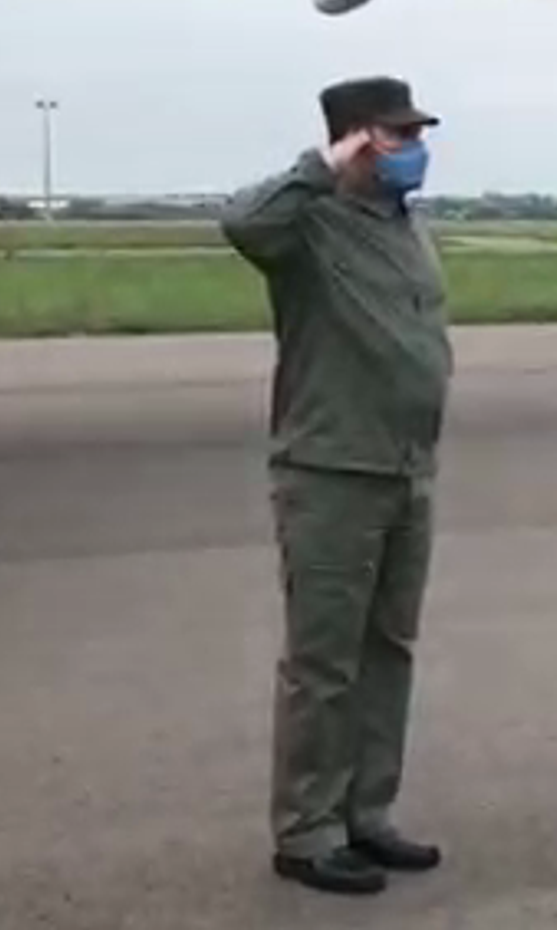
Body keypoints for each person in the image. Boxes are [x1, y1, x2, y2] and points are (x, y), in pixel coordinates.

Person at [220, 76, 454, 896]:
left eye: (418, 133)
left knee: (387, 652)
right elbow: (242, 222)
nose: (416, 148)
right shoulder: (308, 225)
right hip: (332, 473)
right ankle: (307, 830)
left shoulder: (404, 225)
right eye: (398, 135)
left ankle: (366, 811)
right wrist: (318, 167)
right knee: (324, 662)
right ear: (355, 139)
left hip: (406, 471)